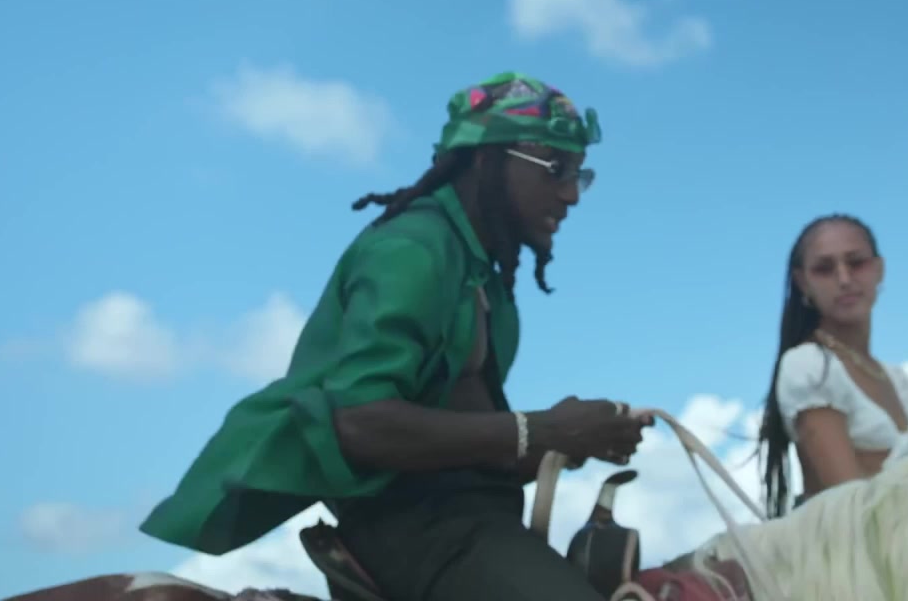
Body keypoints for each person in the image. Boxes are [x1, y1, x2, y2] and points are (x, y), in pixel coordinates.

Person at [139, 71, 653, 601]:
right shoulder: (412, 251)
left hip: (473, 519)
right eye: (555, 168)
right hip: (415, 530)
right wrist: (540, 430)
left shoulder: (484, 280)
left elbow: (469, 451)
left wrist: (571, 440)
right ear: (485, 159)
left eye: (579, 175)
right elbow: (360, 423)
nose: (570, 193)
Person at [757, 213, 908, 518]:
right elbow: (852, 504)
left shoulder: (900, 382)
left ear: (879, 269)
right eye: (824, 269)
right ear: (803, 282)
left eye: (856, 263)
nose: (844, 279)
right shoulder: (809, 367)